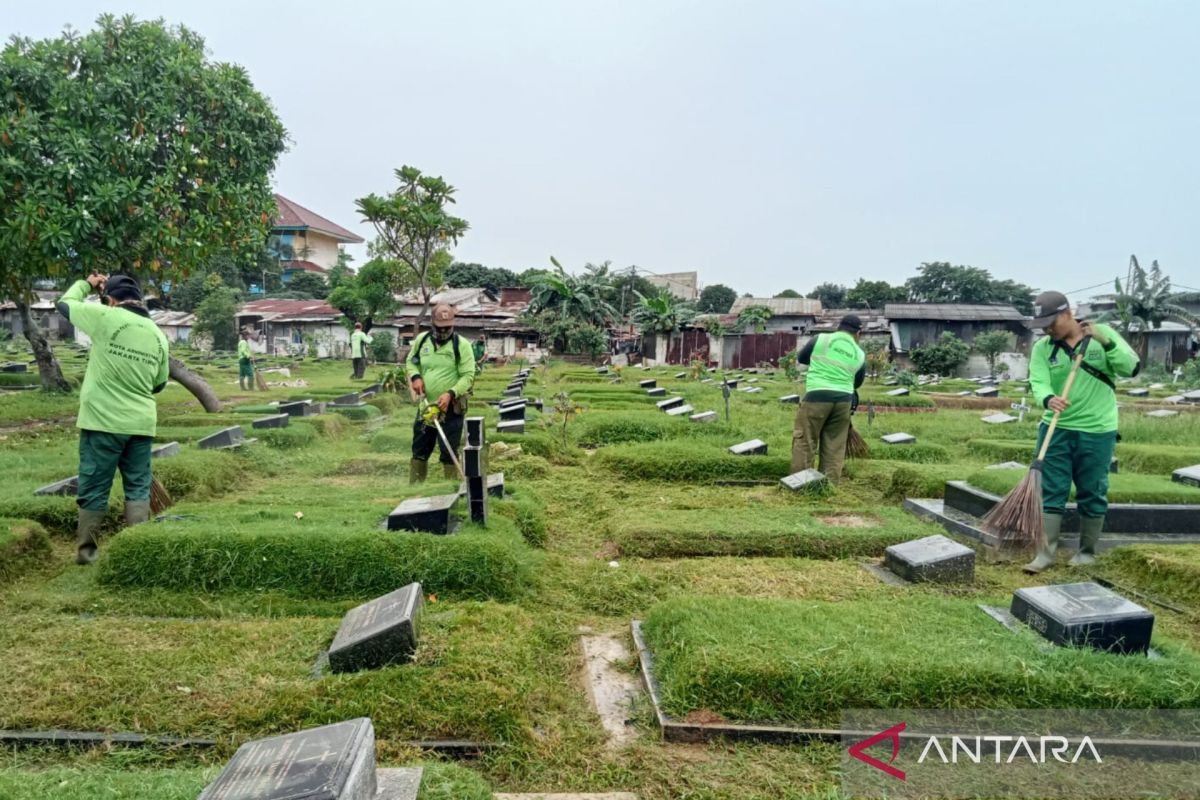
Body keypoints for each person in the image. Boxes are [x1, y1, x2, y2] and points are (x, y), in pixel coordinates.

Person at [56, 273, 170, 564]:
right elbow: (159, 383)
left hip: (102, 422)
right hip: (142, 424)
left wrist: (87, 283)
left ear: (110, 300)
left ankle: (87, 553)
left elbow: (65, 304)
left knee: (94, 486)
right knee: (137, 486)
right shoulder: (158, 334)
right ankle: (137, 551)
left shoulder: (105, 316)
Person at [1023, 291, 1140, 573]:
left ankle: (1087, 552)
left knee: (1092, 489)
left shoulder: (1103, 334)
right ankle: (1045, 553)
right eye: (1042, 324)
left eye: (1051, 322)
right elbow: (1038, 380)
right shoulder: (1044, 348)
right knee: (1052, 489)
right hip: (1057, 427)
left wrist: (1107, 343)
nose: (1046, 329)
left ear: (1068, 313)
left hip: (1097, 430)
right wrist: (1048, 398)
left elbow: (1131, 368)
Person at [405, 304, 477, 482]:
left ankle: (450, 490)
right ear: (432, 324)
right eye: (440, 327)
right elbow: (411, 361)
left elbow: (468, 376)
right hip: (427, 407)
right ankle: (414, 490)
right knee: (419, 450)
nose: (444, 331)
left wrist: (451, 393)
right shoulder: (422, 341)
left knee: (448, 451)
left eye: (447, 327)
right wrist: (415, 377)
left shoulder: (462, 345)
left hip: (451, 408)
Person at [790, 314, 866, 483]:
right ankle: (828, 487)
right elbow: (858, 382)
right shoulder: (859, 353)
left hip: (817, 396)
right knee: (834, 446)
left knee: (805, 440)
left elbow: (802, 358)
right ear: (858, 333)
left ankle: (799, 484)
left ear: (839, 327)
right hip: (844, 401)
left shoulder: (821, 339)